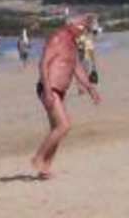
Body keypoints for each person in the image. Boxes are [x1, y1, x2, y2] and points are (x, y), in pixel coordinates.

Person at [30, 13, 101, 179]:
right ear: (74, 26)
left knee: (56, 129)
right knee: (64, 125)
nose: (83, 33)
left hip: (60, 90)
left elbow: (76, 68)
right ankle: (38, 157)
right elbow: (43, 63)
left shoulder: (72, 43)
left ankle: (45, 168)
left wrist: (90, 89)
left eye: (86, 30)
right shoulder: (58, 39)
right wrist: (47, 90)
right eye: (83, 29)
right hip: (49, 87)